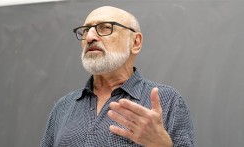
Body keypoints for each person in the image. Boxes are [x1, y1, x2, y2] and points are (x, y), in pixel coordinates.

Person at [41, 6, 194, 147]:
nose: (90, 37)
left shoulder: (168, 101)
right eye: (86, 30)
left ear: (135, 42)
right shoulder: (63, 107)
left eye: (106, 27)